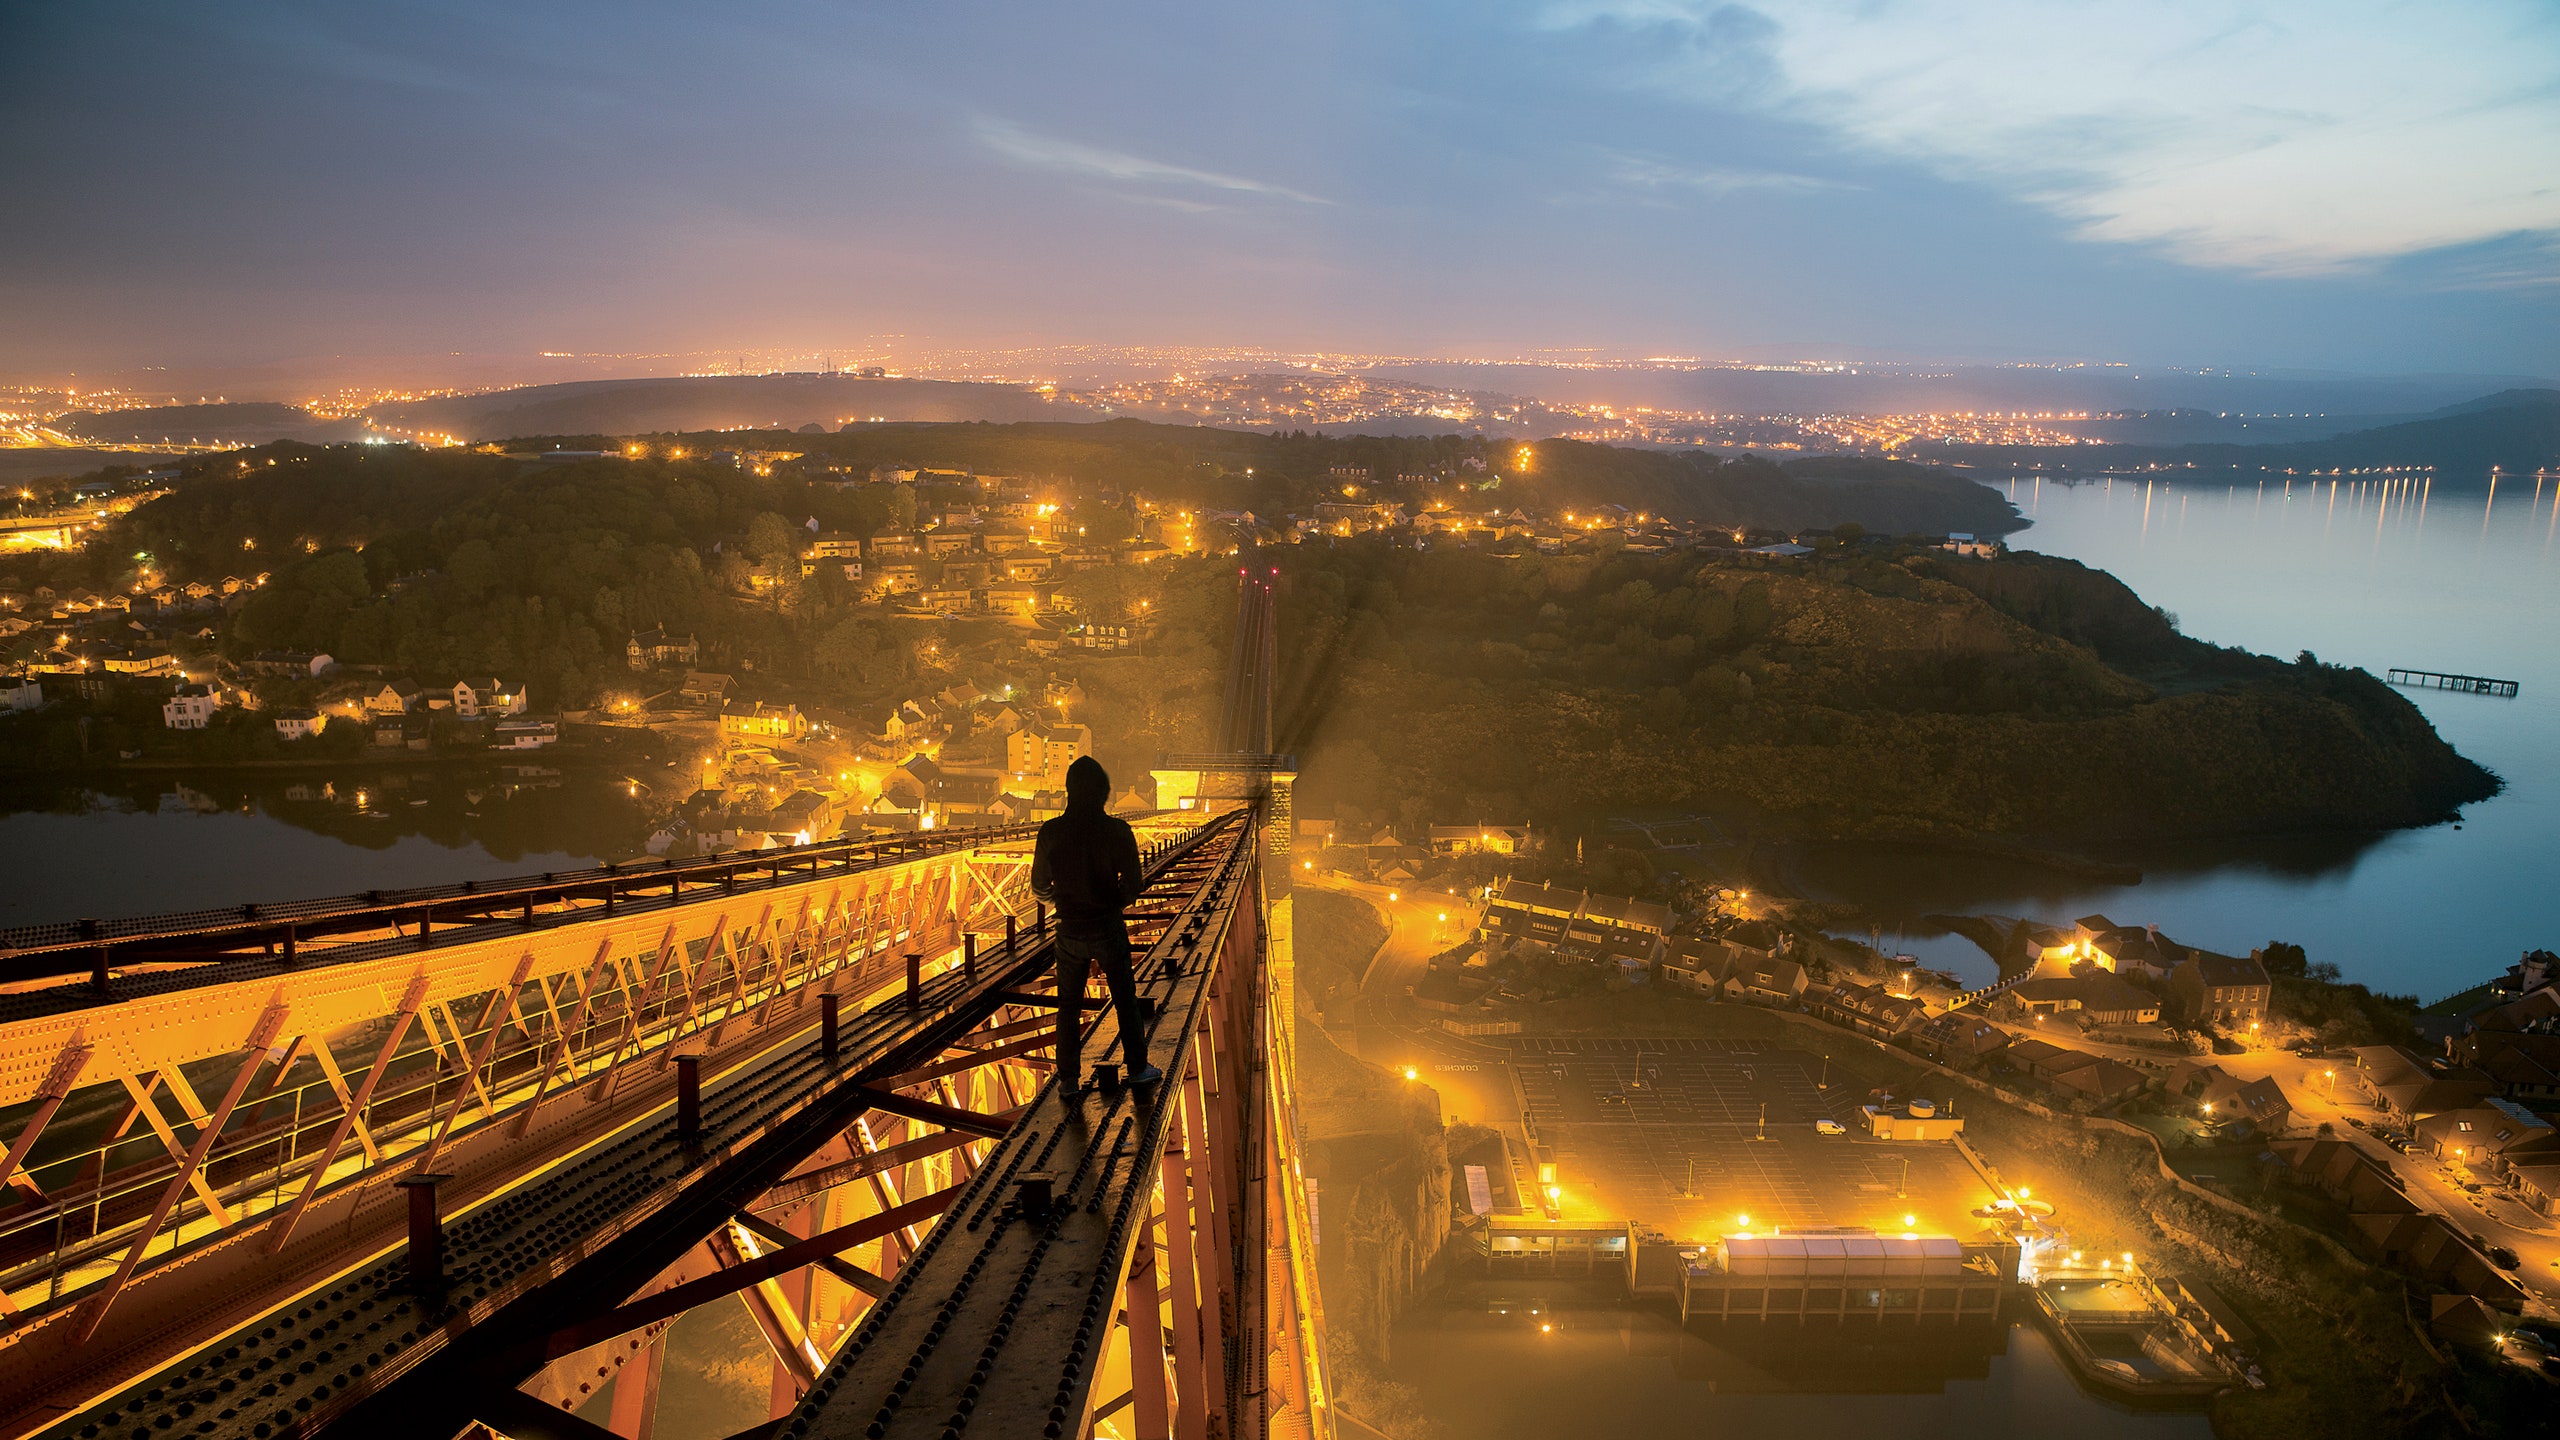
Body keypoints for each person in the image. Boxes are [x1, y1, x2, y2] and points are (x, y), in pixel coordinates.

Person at [1028, 756, 1162, 1092]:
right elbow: (1133, 884)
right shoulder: (1117, 832)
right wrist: (1110, 904)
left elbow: (1039, 887)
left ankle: (1069, 1079)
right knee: (1124, 997)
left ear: (1069, 791)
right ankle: (1137, 1066)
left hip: (1069, 930)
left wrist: (1061, 902)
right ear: (1103, 793)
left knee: (1068, 1005)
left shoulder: (1051, 832)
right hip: (1107, 927)